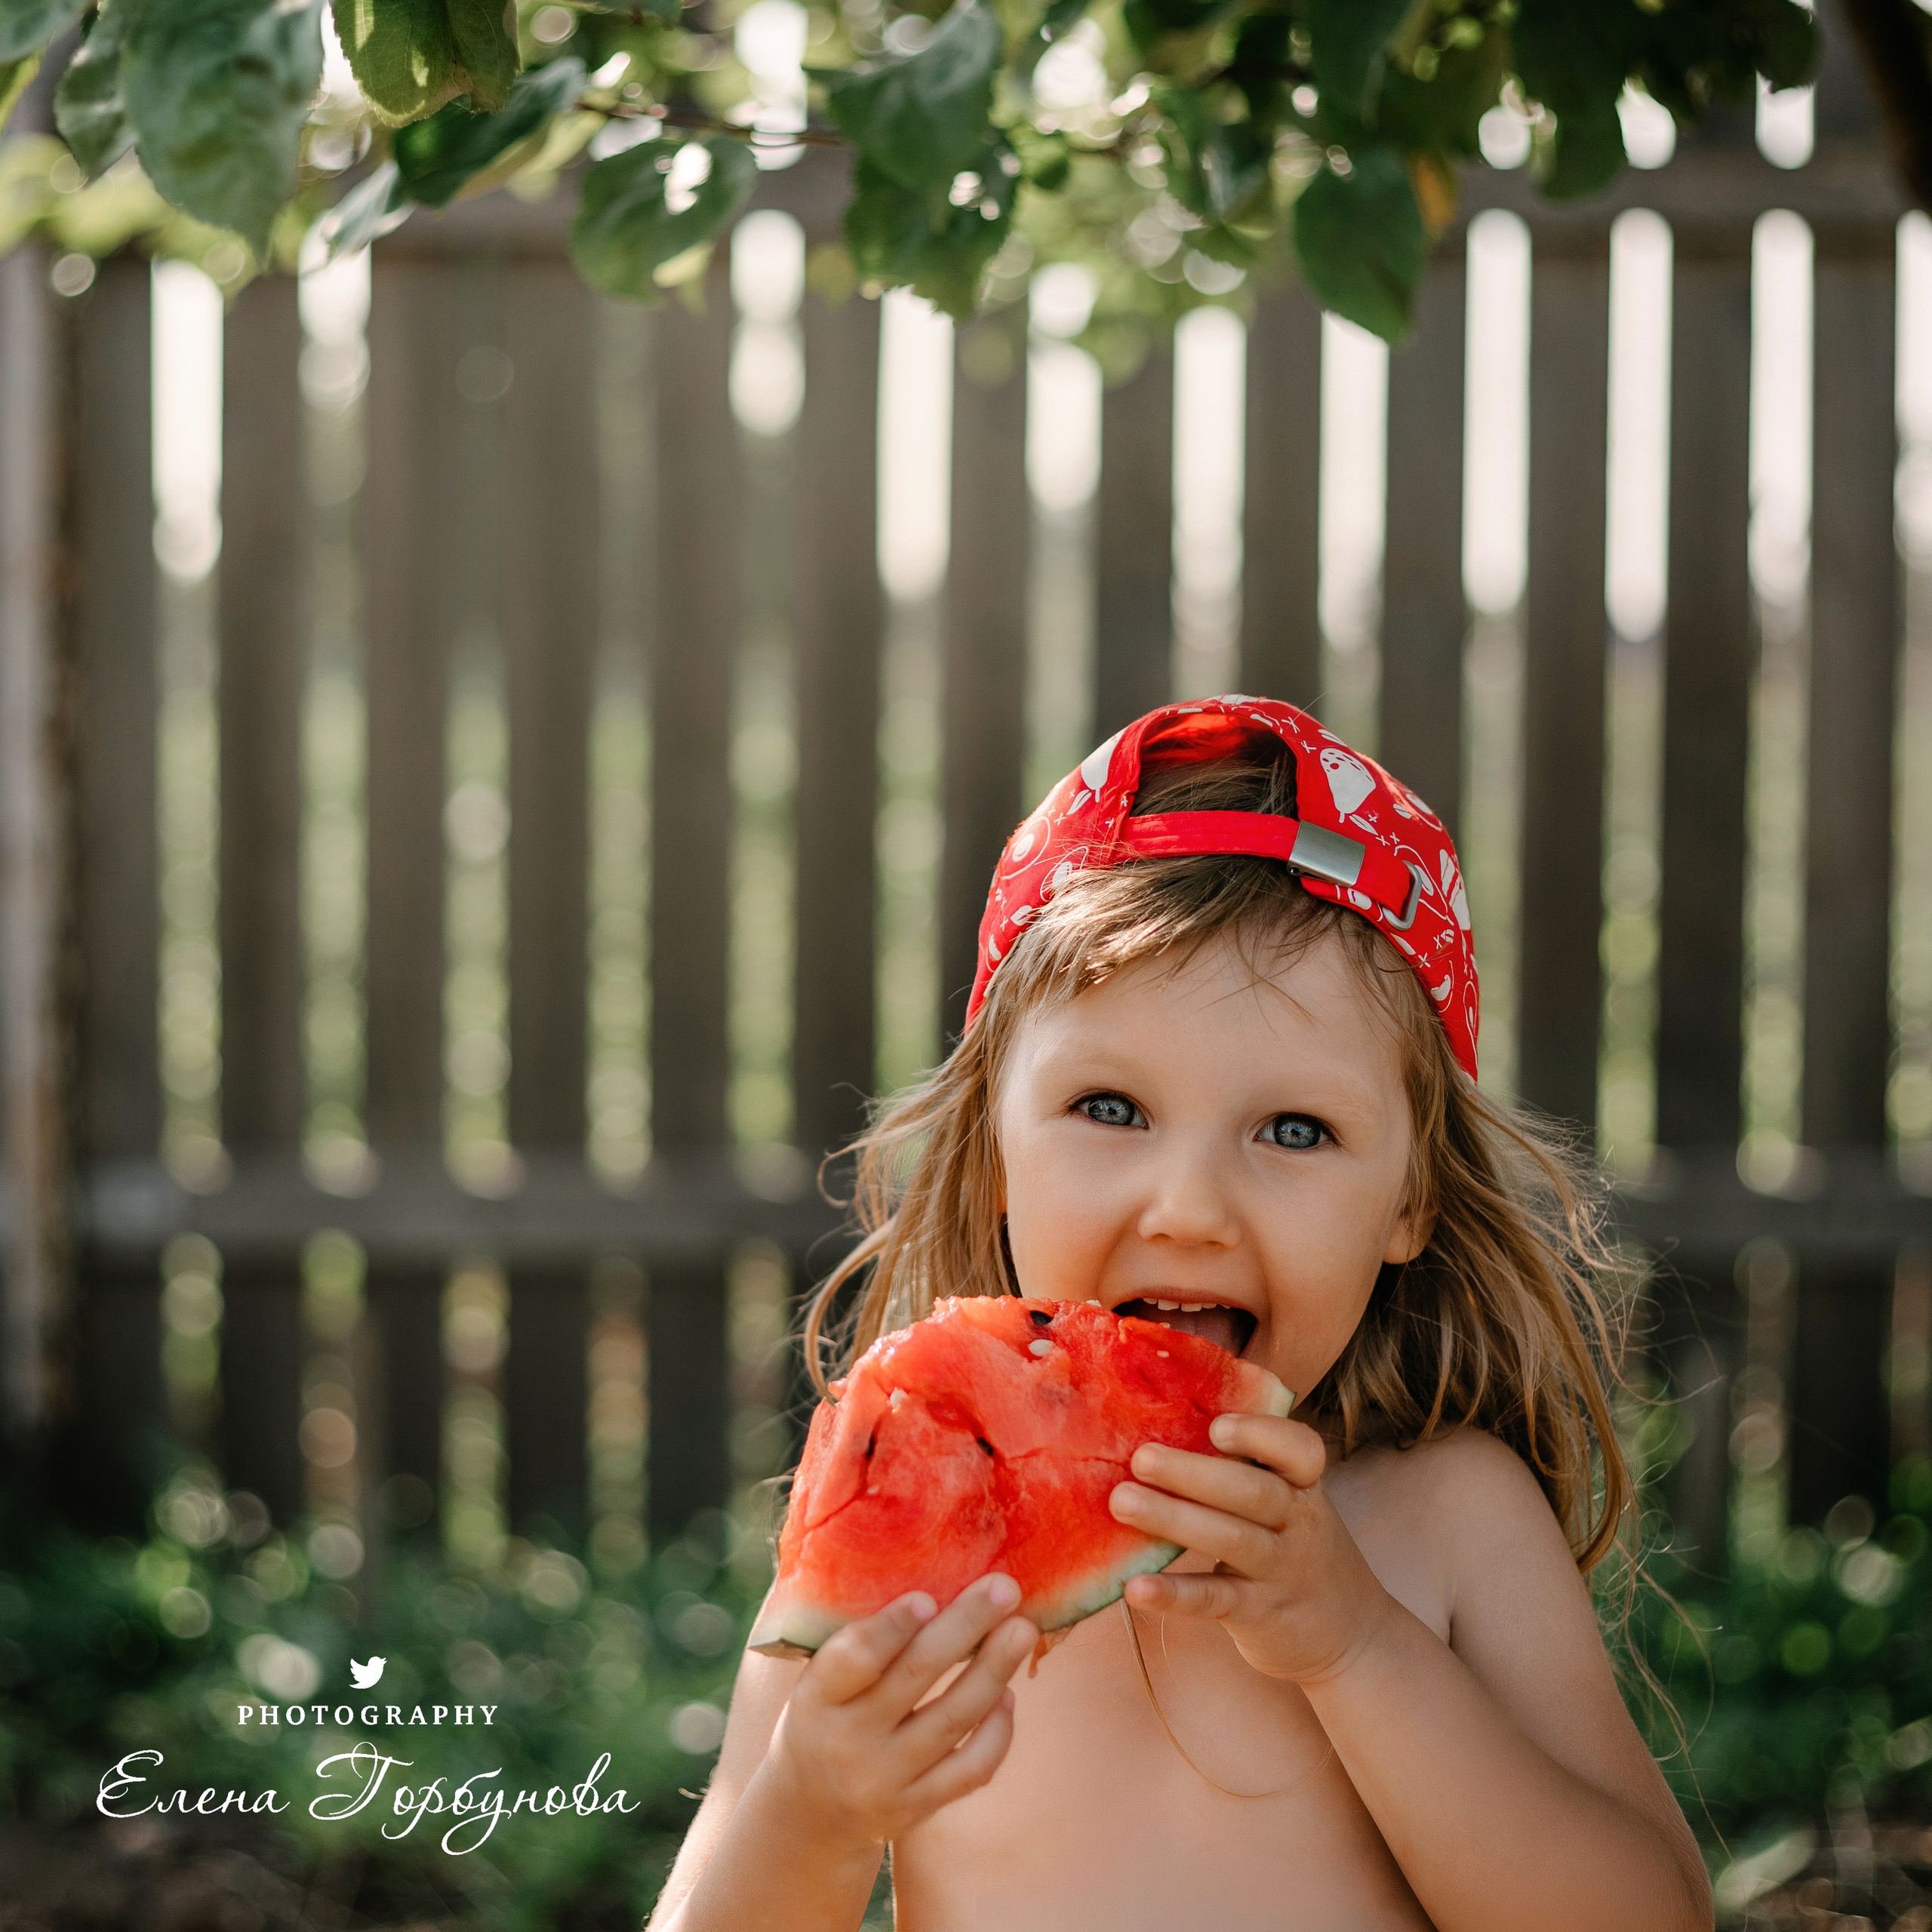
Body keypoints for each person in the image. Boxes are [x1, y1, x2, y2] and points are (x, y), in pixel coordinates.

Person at [649, 697, 1712, 1932]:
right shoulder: (916, 1517)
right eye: (1110, 1108)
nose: (1191, 1208)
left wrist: (1356, 1645)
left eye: (1295, 1130)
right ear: (995, 1148)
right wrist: (810, 1808)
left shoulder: (1449, 1518)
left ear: (1411, 1199)